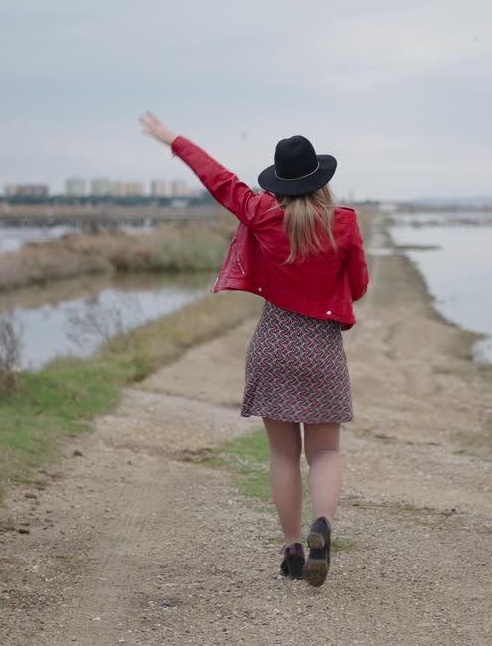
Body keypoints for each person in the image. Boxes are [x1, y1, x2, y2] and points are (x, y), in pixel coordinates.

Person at [140, 112, 369, 587]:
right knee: (324, 451)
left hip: (273, 342)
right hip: (320, 348)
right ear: (322, 181)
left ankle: (292, 552)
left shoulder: (261, 213)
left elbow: (217, 178)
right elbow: (359, 286)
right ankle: (323, 523)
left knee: (282, 455)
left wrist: (172, 138)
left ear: (279, 184)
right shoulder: (344, 224)